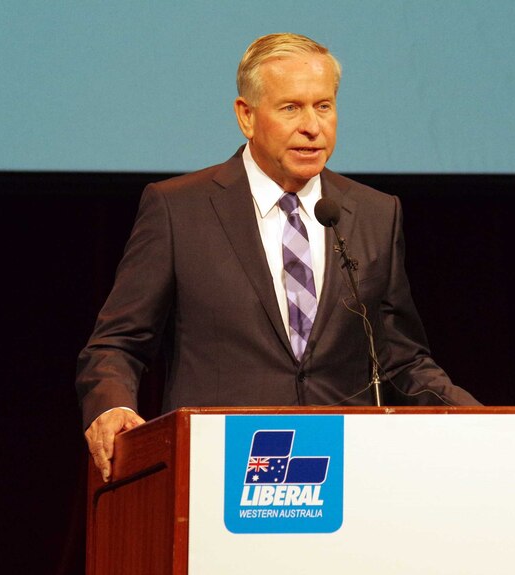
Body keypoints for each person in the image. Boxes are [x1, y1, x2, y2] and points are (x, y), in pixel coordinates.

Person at [76, 33, 480, 482]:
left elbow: (402, 359)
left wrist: (482, 420)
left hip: (341, 476)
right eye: (291, 108)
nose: (313, 126)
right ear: (246, 117)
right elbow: (116, 344)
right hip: (220, 474)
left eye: (323, 106)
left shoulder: (373, 213)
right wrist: (112, 406)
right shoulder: (179, 209)